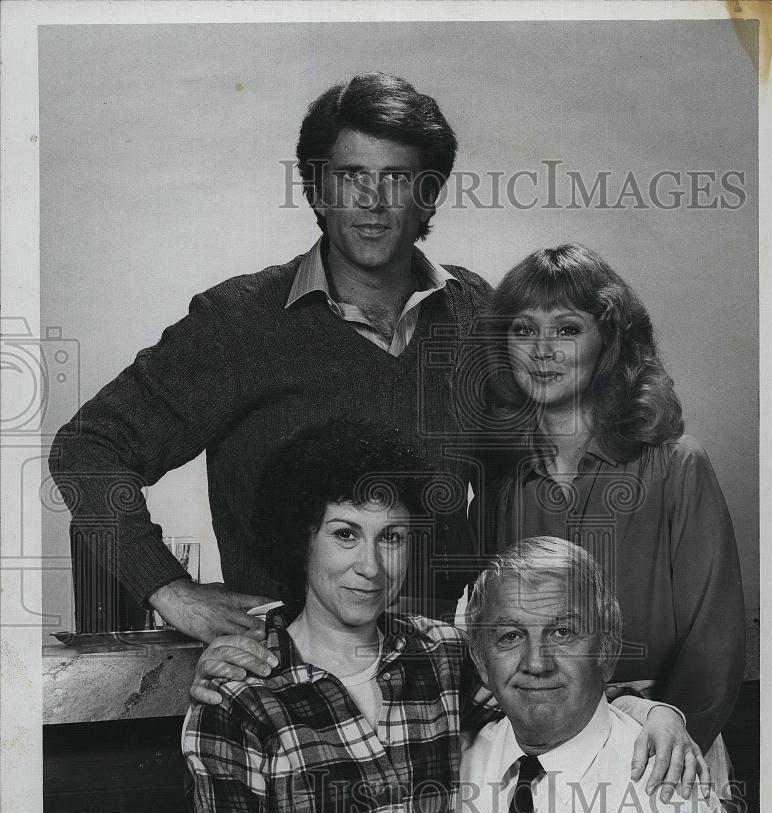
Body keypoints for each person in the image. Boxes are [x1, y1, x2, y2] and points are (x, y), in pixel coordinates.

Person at [182, 421, 706, 813]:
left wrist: (656, 713)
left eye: (391, 537)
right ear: (301, 537)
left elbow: (553, 693)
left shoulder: (437, 657)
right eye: (344, 534)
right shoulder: (239, 692)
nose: (371, 566)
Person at [49, 72, 491, 641]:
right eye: (351, 175)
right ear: (314, 189)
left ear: (428, 193)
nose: (373, 201)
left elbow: (531, 477)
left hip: (445, 683)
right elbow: (89, 447)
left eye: (398, 178)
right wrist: (168, 589)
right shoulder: (242, 321)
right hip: (287, 688)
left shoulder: (475, 312)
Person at [463, 243, 744, 792]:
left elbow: (715, 638)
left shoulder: (678, 466)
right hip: (535, 741)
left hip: (659, 744)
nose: (542, 351)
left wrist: (673, 721)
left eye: (567, 329)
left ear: (609, 341)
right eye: (523, 330)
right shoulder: (500, 485)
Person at [442, 537, 747, 813]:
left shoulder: (661, 781)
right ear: (481, 659)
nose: (536, 663)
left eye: (562, 632)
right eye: (509, 637)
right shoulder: (460, 760)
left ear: (606, 649)